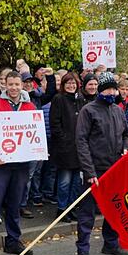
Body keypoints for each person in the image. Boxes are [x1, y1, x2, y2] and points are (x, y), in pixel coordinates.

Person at [0, 71, 37, 255]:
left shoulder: (30, 107)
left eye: (17, 84)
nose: (13, 88)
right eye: (10, 84)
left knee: (15, 203)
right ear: (4, 85)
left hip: (20, 164)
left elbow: (37, 135)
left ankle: (13, 240)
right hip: (0, 164)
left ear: (22, 86)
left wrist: (39, 150)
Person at [74, 72, 128, 255]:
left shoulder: (118, 110)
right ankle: (83, 248)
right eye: (108, 88)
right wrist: (89, 171)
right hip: (95, 169)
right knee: (87, 211)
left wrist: (125, 148)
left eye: (114, 89)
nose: (112, 92)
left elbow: (126, 134)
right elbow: (81, 141)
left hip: (115, 167)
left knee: (114, 208)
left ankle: (111, 244)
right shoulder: (88, 110)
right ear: (100, 90)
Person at [49, 72, 85, 222]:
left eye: (73, 83)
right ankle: (62, 209)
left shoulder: (80, 100)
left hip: (79, 148)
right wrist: (64, 140)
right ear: (63, 85)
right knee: (64, 182)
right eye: (68, 83)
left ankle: (71, 208)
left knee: (76, 182)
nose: (71, 86)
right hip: (65, 148)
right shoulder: (58, 99)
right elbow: (55, 124)